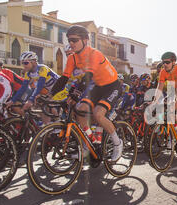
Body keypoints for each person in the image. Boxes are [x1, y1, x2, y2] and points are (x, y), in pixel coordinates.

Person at [50, 25, 123, 161]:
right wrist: (49, 95)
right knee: (79, 109)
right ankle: (88, 143)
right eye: (69, 40)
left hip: (112, 86)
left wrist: (76, 93)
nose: (71, 43)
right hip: (97, 86)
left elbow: (87, 76)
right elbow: (64, 78)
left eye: (74, 40)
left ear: (85, 40)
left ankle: (117, 143)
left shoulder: (94, 54)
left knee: (98, 114)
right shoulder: (72, 58)